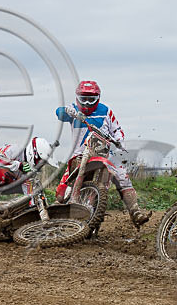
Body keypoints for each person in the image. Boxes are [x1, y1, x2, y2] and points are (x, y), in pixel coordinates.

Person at [54, 80, 151, 227]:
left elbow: (117, 129)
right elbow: (59, 113)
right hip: (80, 154)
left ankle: (135, 211)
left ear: (97, 98)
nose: (86, 103)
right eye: (83, 99)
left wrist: (119, 141)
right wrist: (67, 111)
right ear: (77, 98)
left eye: (90, 99)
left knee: (123, 177)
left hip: (105, 154)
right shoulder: (73, 109)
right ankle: (55, 210)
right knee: (63, 189)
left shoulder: (105, 111)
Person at [0, 137, 53, 203]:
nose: (41, 165)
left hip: (2, 185)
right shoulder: (15, 149)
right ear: (34, 154)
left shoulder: (28, 167)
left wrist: (33, 203)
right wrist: (19, 165)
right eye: (41, 161)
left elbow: (28, 186)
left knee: (33, 186)